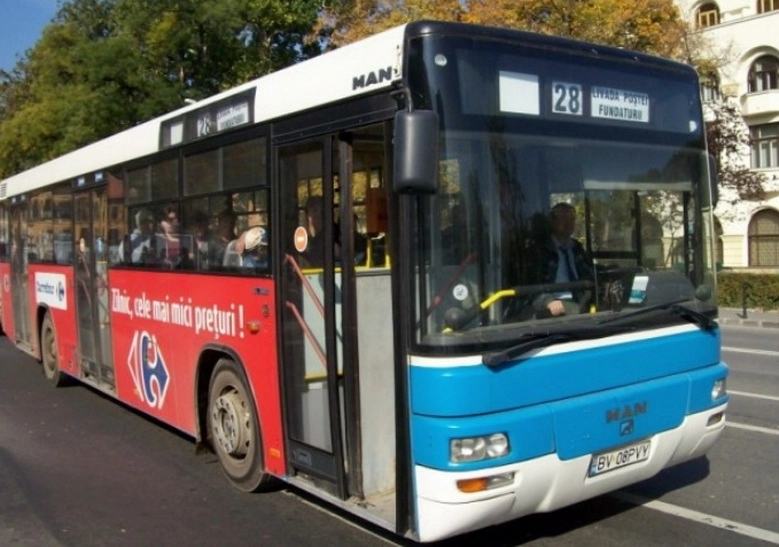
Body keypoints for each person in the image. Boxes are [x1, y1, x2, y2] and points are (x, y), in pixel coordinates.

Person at [532, 202, 594, 317]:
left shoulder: (576, 248)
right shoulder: (540, 250)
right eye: (563, 218)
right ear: (552, 222)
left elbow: (589, 272)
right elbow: (531, 286)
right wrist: (548, 301)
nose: (568, 223)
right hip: (555, 305)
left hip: (580, 300)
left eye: (572, 218)